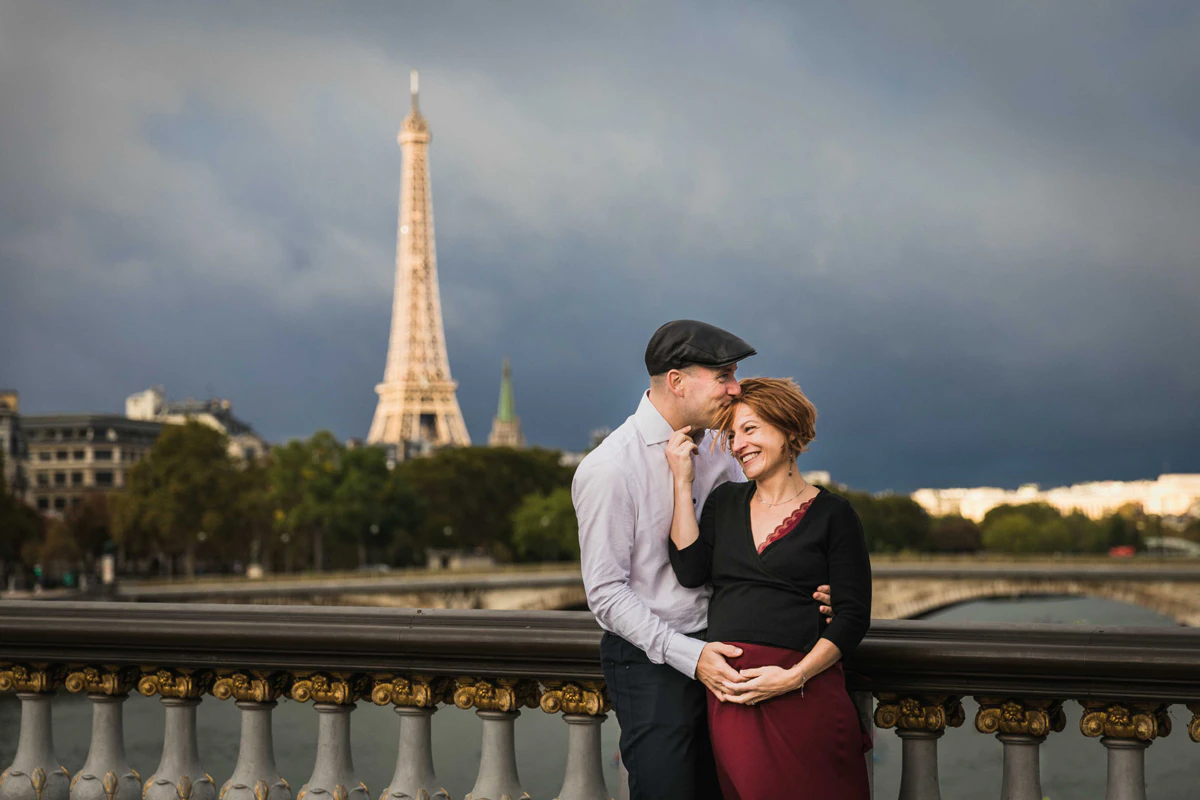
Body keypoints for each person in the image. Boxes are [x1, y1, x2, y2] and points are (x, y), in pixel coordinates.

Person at [573, 321, 833, 800]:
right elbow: (606, 595)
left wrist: (815, 589)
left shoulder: (725, 451)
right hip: (653, 663)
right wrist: (692, 658)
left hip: (730, 653)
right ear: (677, 381)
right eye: (724, 376)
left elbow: (749, 550)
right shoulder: (608, 468)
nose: (735, 389)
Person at [666, 377, 872, 800]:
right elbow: (689, 570)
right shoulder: (724, 503)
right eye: (732, 434)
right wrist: (681, 483)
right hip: (734, 695)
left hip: (805, 693)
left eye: (751, 429)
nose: (738, 444)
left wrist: (792, 678)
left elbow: (852, 617)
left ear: (790, 431)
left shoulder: (835, 514)